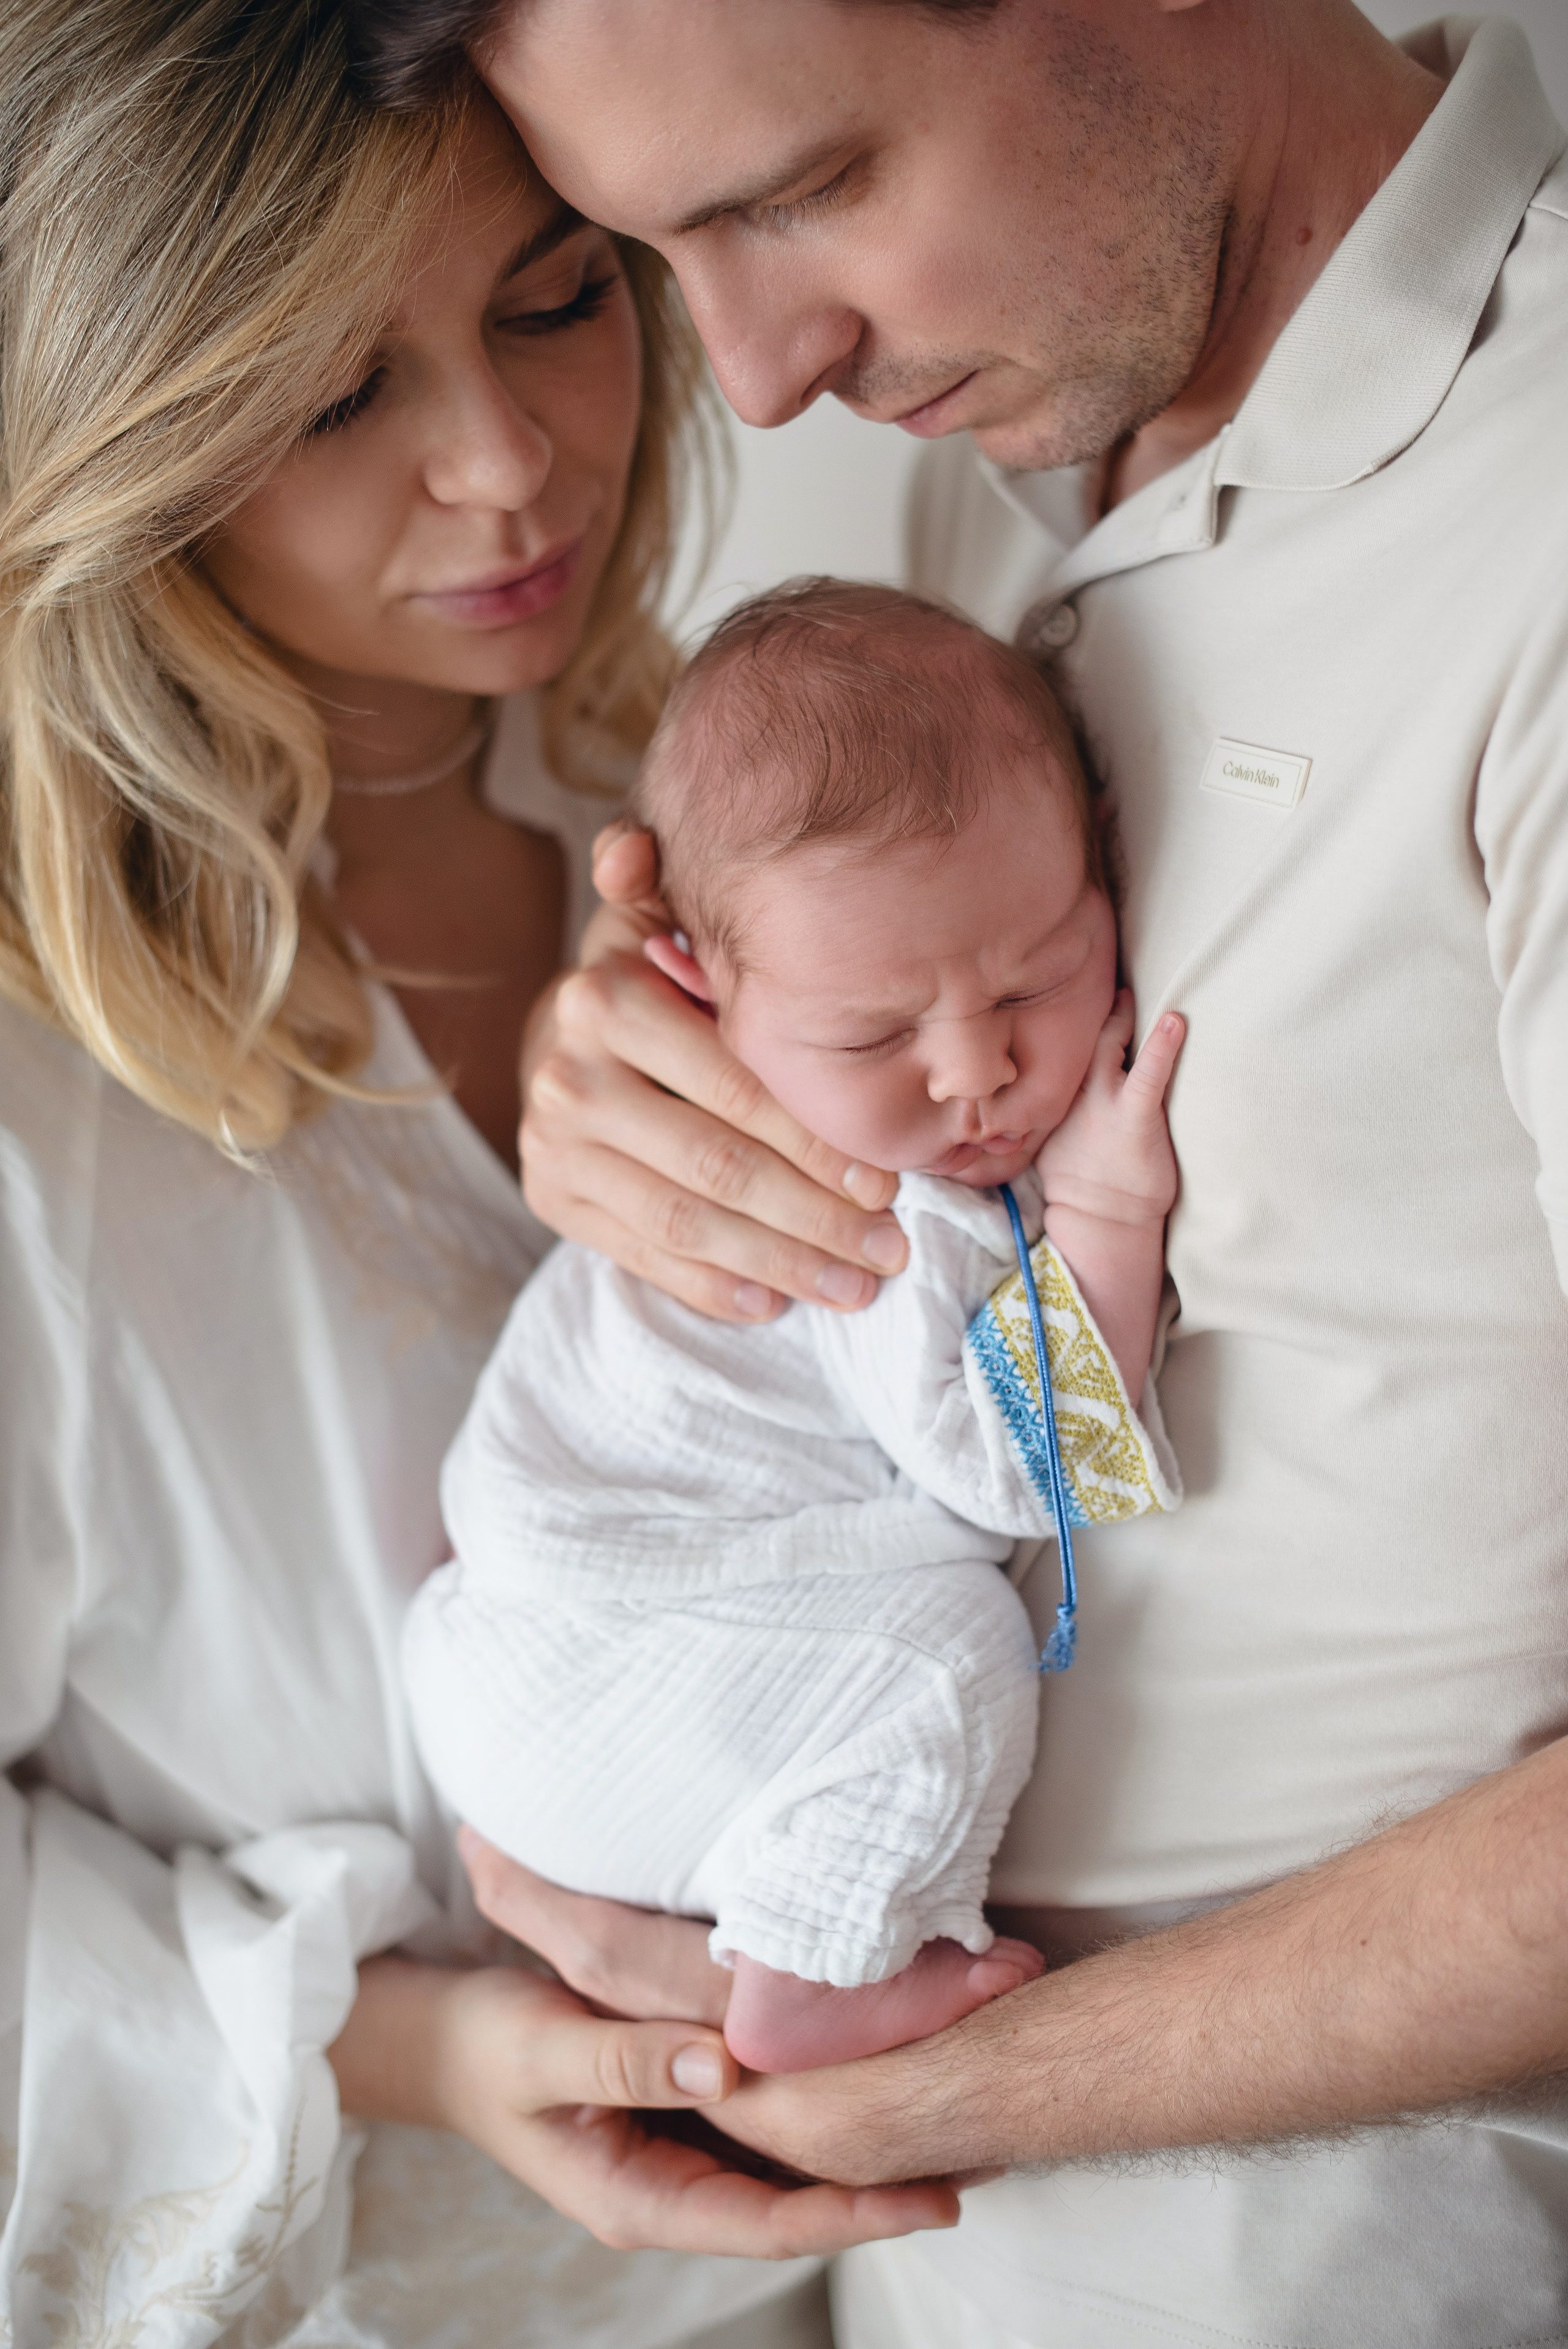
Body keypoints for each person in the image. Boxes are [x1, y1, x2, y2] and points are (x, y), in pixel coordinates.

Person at [344, 1, 1568, 2342]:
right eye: (653, 255)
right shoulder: (958, 487)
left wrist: (925, 2088)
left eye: (791, 193)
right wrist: (650, 1087)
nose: (762, 372)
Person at [0, 5, 955, 2341]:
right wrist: (406, 2044)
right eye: (335, 395)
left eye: (554, 300)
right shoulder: (42, 1095)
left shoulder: (757, 810)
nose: (514, 464)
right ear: (108, 423)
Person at [402, 579, 1183, 2075]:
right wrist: (1102, 1218)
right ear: (686, 983)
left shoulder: (866, 1065)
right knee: (955, 1653)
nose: (975, 1073)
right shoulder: (869, 1206)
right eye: (873, 1034)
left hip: (528, 1661)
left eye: (1036, 972)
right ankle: (813, 1955)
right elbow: (1021, 1474)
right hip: (606, 1672)